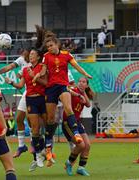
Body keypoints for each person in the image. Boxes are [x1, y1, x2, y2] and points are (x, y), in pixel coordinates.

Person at [33, 26, 92, 167]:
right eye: (47, 46)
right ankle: (48, 147)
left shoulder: (66, 55)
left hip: (63, 86)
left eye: (51, 45)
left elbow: (76, 66)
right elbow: (43, 71)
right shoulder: (46, 56)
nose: (49, 48)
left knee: (68, 107)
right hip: (51, 89)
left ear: (57, 44)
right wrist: (37, 75)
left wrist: (85, 73)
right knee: (51, 119)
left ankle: (76, 134)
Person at [5, 48, 47, 169]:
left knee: (47, 125)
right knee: (34, 127)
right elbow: (20, 85)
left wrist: (35, 76)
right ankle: (38, 155)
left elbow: (45, 83)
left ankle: (46, 149)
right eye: (31, 54)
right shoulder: (24, 69)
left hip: (42, 99)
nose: (31, 55)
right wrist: (11, 82)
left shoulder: (42, 67)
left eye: (33, 54)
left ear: (38, 57)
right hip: (30, 99)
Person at [0, 48, 30, 158]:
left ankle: (42, 146)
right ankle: (21, 146)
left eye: (27, 52)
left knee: (34, 121)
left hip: (39, 92)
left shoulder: (39, 61)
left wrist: (21, 75)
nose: (23, 53)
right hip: (28, 91)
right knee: (19, 118)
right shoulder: (22, 60)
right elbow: (8, 67)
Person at [63, 77, 94, 176]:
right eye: (79, 81)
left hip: (77, 122)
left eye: (83, 82)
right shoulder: (73, 90)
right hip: (68, 122)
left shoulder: (84, 94)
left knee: (87, 145)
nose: (80, 83)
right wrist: (77, 92)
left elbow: (88, 104)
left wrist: (83, 92)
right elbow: (66, 89)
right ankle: (69, 163)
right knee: (81, 145)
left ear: (87, 85)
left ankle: (81, 168)